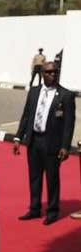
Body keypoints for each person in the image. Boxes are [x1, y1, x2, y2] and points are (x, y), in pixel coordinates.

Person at [13, 61, 76, 225]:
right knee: (34, 177)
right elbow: (26, 115)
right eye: (49, 72)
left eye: (55, 72)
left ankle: (53, 211)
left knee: (52, 178)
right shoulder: (34, 92)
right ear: (42, 74)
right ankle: (34, 209)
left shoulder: (65, 95)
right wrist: (18, 137)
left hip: (52, 144)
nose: (53, 75)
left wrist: (65, 146)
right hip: (34, 141)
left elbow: (69, 123)